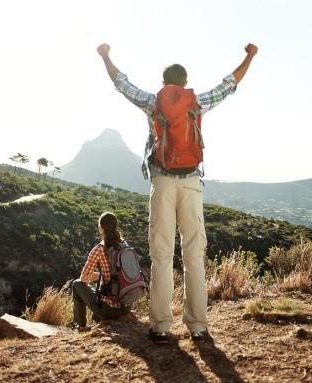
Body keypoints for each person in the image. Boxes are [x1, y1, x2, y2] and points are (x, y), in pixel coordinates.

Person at [97, 43, 258, 343]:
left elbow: (122, 84)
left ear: (163, 83)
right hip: (191, 183)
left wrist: (105, 56)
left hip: (161, 183)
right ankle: (198, 326)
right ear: (185, 83)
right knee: (194, 256)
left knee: (161, 257)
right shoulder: (197, 102)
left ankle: (160, 326)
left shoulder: (152, 102)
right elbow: (230, 83)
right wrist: (250, 56)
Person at [72, 212, 131, 332]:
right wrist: (102, 275)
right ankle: (97, 320)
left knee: (77, 284)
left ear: (101, 228)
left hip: (109, 310)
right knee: (101, 291)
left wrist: (97, 276)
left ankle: (82, 327)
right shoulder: (124, 245)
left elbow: (84, 278)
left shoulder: (99, 249)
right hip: (127, 305)